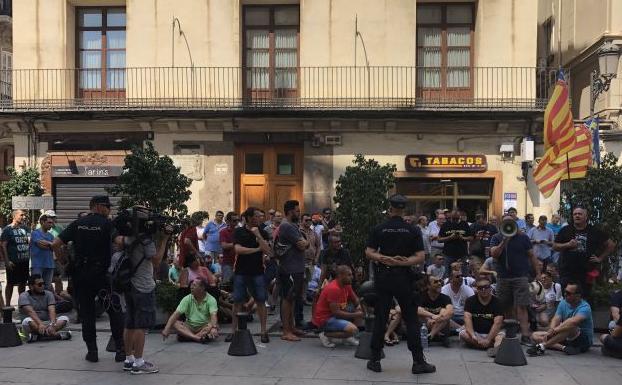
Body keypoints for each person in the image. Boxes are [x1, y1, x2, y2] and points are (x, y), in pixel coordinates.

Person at [365, 194, 435, 374]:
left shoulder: (379, 228)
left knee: (381, 316)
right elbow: (420, 257)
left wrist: (386, 259)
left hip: (384, 277)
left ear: (390, 207)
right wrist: (401, 262)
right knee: (411, 318)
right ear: (404, 208)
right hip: (404, 278)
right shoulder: (412, 230)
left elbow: (369, 252)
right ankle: (418, 362)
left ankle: (374, 360)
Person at [52, 195, 125, 363]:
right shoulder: (107, 224)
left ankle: (92, 352)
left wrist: (63, 260)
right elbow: (119, 242)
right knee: (113, 310)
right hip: (102, 276)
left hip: (81, 276)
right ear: (98, 206)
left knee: (87, 314)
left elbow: (56, 243)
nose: (109, 210)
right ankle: (120, 349)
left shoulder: (77, 224)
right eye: (107, 206)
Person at [114, 208, 172, 375]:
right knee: (141, 325)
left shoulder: (125, 238)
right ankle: (139, 362)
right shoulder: (146, 241)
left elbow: (117, 238)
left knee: (130, 322)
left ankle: (129, 359)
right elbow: (157, 261)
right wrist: (165, 238)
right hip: (143, 286)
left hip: (129, 285)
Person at [489, 214, 540, 344]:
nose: (508, 225)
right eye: (505, 223)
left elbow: (532, 256)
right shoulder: (496, 237)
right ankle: (510, 333)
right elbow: (494, 254)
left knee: (522, 306)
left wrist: (538, 273)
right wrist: (504, 241)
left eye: (511, 223)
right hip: (503, 277)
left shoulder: (523, 238)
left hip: (520, 276)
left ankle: (525, 335)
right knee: (505, 306)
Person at [554, 207, 614, 298]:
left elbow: (611, 244)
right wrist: (567, 245)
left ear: (586, 217)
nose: (577, 216)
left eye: (580, 214)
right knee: (568, 297)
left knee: (584, 297)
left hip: (586, 271)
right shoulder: (566, 230)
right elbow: (555, 246)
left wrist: (600, 258)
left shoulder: (594, 231)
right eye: (575, 214)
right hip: (567, 271)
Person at [231, 207, 271, 343]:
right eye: (258, 216)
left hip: (258, 271)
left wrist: (258, 236)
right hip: (241, 271)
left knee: (261, 300)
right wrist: (256, 249)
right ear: (249, 218)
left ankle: (263, 331)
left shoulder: (263, 232)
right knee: (237, 301)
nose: (261, 218)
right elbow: (238, 249)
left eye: (261, 216)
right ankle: (233, 332)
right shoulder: (239, 232)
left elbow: (268, 251)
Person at [528, 282, 594, 356]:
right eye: (565, 291)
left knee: (570, 326)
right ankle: (563, 348)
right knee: (535, 335)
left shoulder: (585, 307)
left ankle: (543, 346)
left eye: (568, 293)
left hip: (582, 340)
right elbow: (556, 318)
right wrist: (550, 331)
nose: (565, 294)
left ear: (578, 295)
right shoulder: (563, 302)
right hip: (565, 336)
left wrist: (554, 331)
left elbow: (573, 322)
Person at [277, 200, 309, 341]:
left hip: (296, 268)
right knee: (287, 298)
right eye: (297, 211)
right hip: (289, 269)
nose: (299, 212)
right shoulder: (287, 227)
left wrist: (304, 241)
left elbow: (303, 243)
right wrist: (306, 242)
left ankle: (292, 327)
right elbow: (302, 245)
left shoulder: (293, 226)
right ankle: (286, 331)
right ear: (290, 212)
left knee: (293, 298)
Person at [311, 265, 362, 348]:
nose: (352, 277)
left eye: (351, 275)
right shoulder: (334, 289)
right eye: (349, 275)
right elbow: (336, 313)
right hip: (325, 319)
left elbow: (355, 300)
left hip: (337, 313)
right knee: (353, 330)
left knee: (359, 309)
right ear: (340, 276)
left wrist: (359, 306)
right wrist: (357, 315)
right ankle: (325, 334)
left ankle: (347, 337)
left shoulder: (347, 285)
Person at [161, 278, 219, 344]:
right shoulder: (187, 298)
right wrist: (167, 328)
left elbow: (213, 315)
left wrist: (214, 327)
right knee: (175, 323)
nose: (191, 287)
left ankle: (188, 336)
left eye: (194, 285)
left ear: (202, 288)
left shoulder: (211, 299)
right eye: (191, 285)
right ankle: (198, 338)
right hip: (190, 326)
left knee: (212, 325)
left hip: (204, 327)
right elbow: (176, 313)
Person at [459, 277, 504, 357]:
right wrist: (473, 336)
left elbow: (498, 322)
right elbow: (467, 319)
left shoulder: (498, 302)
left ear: (490, 288)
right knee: (463, 334)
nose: (483, 290)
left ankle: (494, 348)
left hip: (492, 333)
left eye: (486, 287)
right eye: (480, 288)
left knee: (500, 337)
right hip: (476, 333)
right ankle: (489, 346)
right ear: (476, 289)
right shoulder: (470, 301)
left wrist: (488, 339)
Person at [18, 274, 71, 342]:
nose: (42, 286)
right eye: (39, 284)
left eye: (43, 283)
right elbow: (31, 312)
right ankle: (56, 336)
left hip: (47, 323)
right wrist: (40, 324)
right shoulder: (24, 296)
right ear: (31, 286)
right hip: (33, 323)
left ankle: (40, 336)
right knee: (27, 321)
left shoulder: (49, 294)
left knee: (65, 319)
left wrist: (52, 324)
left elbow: (52, 310)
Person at [1, 209, 30, 306]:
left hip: (24, 260)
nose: (24, 217)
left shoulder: (25, 228)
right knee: (10, 283)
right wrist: (7, 261)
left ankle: (22, 305)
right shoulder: (7, 229)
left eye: (24, 215)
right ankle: (8, 306)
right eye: (21, 215)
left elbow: (29, 241)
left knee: (22, 283)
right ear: (14, 216)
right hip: (13, 261)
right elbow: (3, 246)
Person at [418, 274, 453, 347]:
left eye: (440, 281)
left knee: (444, 311)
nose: (439, 283)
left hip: (440, 325)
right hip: (426, 325)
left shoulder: (445, 298)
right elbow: (417, 310)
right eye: (436, 282)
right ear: (428, 286)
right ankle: (437, 336)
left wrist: (438, 318)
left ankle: (431, 335)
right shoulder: (421, 296)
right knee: (420, 313)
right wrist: (432, 317)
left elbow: (450, 311)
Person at [438, 210, 472, 276]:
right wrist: (449, 237)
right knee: (447, 274)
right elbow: (439, 239)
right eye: (453, 218)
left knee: (465, 274)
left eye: (457, 218)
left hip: (462, 254)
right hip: (448, 254)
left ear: (460, 217)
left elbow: (471, 238)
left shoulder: (464, 224)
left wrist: (462, 238)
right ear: (451, 217)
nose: (455, 220)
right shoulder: (445, 225)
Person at [30, 215, 56, 291]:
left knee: (47, 287)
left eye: (52, 223)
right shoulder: (35, 233)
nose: (51, 225)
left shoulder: (51, 235)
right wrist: (51, 245)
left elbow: (54, 247)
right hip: (38, 264)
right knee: (36, 286)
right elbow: (41, 245)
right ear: (42, 222)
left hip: (49, 264)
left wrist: (50, 245)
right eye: (49, 223)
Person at [219, 212, 240, 284]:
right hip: (228, 263)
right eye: (234, 221)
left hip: (240, 263)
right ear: (228, 221)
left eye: (238, 220)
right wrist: (237, 243)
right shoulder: (223, 231)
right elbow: (224, 245)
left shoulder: (240, 231)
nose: (237, 222)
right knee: (227, 285)